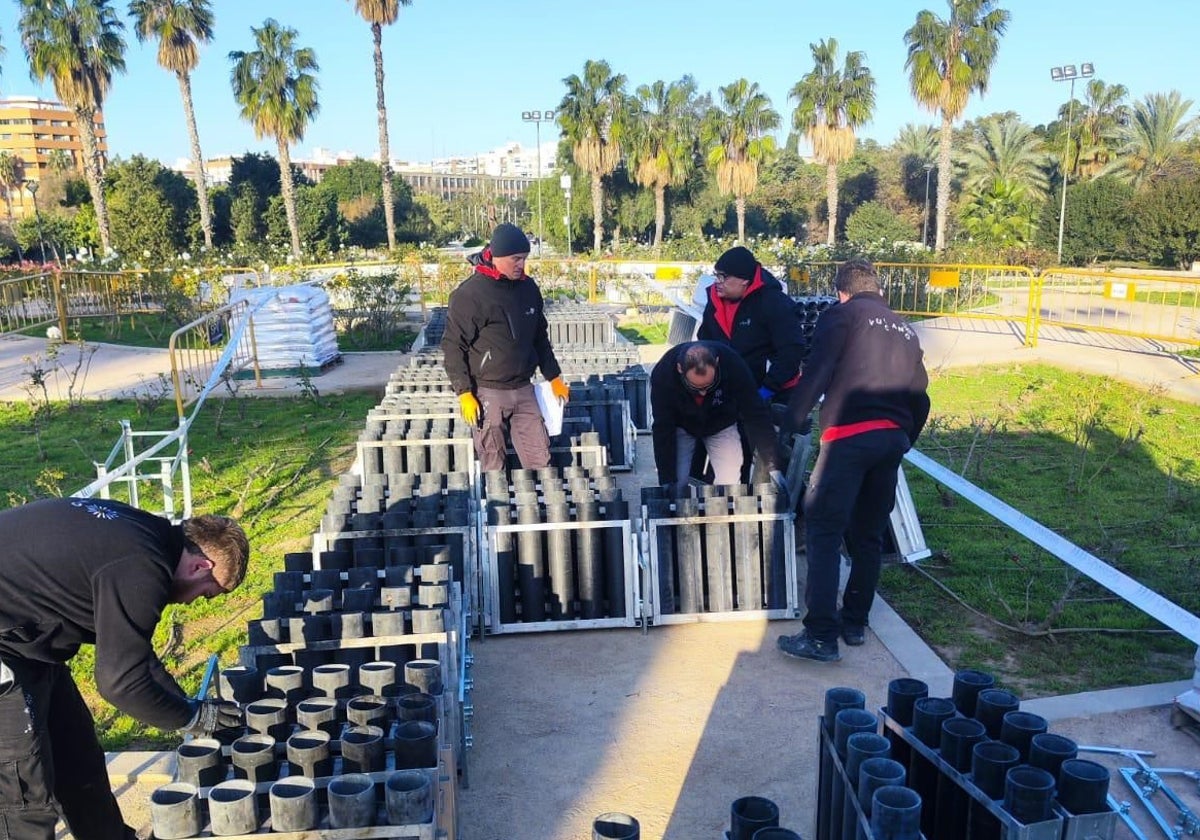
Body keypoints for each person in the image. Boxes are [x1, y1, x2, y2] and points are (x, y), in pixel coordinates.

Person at [0, 498, 250, 839]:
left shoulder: (150, 538)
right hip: (7, 648)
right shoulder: (142, 566)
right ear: (200, 566)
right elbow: (120, 683)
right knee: (23, 793)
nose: (197, 601)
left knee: (79, 760)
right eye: (209, 593)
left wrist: (190, 708)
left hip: (28, 641)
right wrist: (190, 718)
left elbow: (134, 654)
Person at [777, 259, 930, 663]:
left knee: (825, 530)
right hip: (891, 439)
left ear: (842, 291)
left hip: (848, 437)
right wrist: (903, 441)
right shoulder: (906, 329)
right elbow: (921, 397)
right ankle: (854, 623)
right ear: (878, 290)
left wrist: (792, 421)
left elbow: (819, 371)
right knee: (868, 535)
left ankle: (821, 636)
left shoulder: (841, 316)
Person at [442, 222, 571, 472]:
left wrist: (554, 377)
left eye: (524, 259)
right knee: (494, 464)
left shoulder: (528, 289)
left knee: (540, 460)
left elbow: (539, 338)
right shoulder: (471, 295)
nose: (521, 265)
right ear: (497, 256)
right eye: (516, 259)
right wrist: (464, 392)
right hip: (488, 391)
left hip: (524, 389)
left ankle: (539, 508)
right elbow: (453, 346)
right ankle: (497, 509)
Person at [650, 340, 783, 489]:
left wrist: (774, 466)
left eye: (708, 386)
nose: (703, 393)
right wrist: (666, 478)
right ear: (680, 368)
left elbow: (756, 413)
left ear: (717, 362)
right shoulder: (664, 374)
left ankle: (725, 510)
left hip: (721, 423)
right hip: (683, 425)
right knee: (676, 483)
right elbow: (662, 427)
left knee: (730, 481)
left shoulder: (733, 364)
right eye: (695, 387)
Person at [697, 245, 805, 405]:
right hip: (730, 390)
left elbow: (791, 350)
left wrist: (767, 389)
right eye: (716, 275)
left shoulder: (775, 303)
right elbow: (705, 341)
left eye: (723, 277)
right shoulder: (714, 300)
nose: (717, 282)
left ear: (744, 280)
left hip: (774, 393)